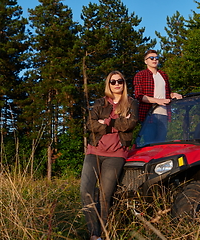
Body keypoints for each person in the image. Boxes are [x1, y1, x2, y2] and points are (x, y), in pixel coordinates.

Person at [80, 71, 138, 240]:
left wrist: (105, 122)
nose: (116, 84)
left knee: (106, 196)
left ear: (124, 83)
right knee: (86, 191)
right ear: (109, 84)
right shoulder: (100, 103)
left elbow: (130, 124)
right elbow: (89, 124)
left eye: (120, 80)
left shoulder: (131, 103)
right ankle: (94, 234)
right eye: (113, 81)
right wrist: (116, 124)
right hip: (94, 151)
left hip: (116, 154)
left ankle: (105, 234)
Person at [133, 49, 182, 144]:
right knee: (149, 143)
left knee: (161, 143)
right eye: (151, 58)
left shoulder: (163, 75)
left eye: (156, 58)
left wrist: (174, 95)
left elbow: (168, 93)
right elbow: (139, 96)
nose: (154, 60)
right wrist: (158, 101)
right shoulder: (140, 75)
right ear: (145, 61)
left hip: (164, 114)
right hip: (149, 114)